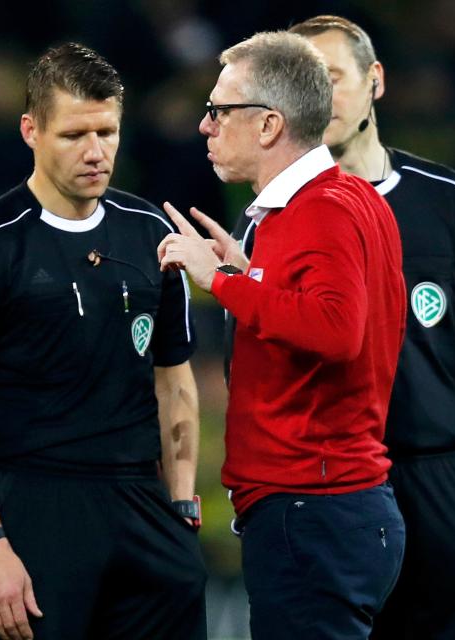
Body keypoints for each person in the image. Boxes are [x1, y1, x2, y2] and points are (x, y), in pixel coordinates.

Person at [0, 43, 206, 640]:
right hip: (34, 503)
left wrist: (181, 504)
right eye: (74, 134)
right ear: (31, 130)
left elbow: (174, 376)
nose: (94, 151)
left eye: (107, 132)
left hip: (142, 504)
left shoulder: (152, 235)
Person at [284, 16, 455, 639]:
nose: (319, 99)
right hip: (335, 493)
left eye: (333, 78)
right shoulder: (274, 221)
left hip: (448, 484)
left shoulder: (449, 202)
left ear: (376, 81)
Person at [157, 31, 406, 639]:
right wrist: (251, 271)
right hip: (332, 508)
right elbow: (329, 311)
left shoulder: (320, 209)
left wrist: (220, 280)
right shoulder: (347, 198)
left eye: (218, 110)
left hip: (314, 507)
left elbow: (337, 330)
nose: (204, 126)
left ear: (268, 125)